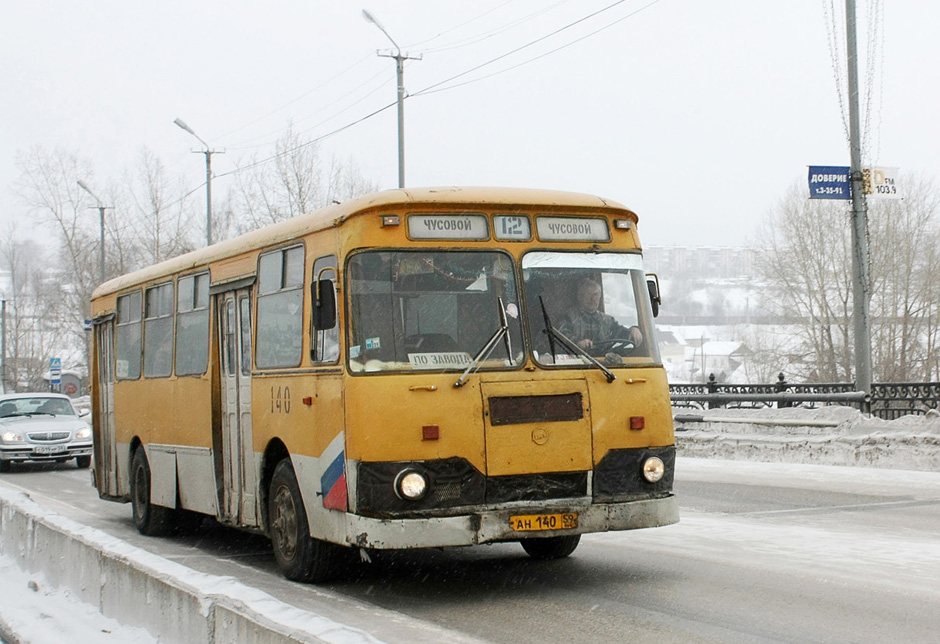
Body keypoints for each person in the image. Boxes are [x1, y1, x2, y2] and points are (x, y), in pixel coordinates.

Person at [558, 278, 642, 352]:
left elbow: (620, 332)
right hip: (575, 363)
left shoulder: (607, 320)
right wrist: (578, 343)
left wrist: (633, 330)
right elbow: (562, 335)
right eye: (589, 294)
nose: (593, 299)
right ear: (580, 296)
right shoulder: (569, 317)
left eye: (596, 294)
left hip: (603, 364)